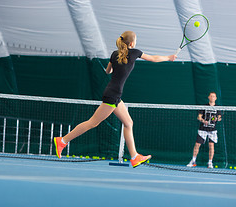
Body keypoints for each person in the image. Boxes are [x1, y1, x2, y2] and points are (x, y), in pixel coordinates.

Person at [54, 31, 177, 168]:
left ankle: (134, 156)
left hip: (114, 94)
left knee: (128, 123)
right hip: (112, 95)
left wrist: (115, 68)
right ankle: (63, 140)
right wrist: (169, 57)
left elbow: (108, 71)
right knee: (92, 123)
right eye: (135, 40)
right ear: (131, 43)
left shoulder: (114, 54)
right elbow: (153, 58)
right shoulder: (135, 52)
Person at [187, 92, 222, 168]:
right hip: (203, 129)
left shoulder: (217, 107)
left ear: (216, 98)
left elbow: (219, 117)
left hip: (212, 130)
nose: (212, 97)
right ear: (208, 97)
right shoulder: (204, 106)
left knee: (211, 145)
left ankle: (210, 162)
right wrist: (203, 121)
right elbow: (199, 117)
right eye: (211, 96)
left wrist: (217, 119)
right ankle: (193, 161)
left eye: (214, 96)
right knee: (197, 144)